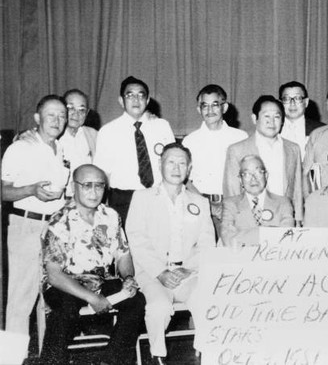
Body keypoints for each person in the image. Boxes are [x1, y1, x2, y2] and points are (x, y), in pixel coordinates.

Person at [39, 164, 146, 365]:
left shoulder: (111, 216)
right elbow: (54, 275)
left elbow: (123, 255)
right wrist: (92, 298)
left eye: (99, 186)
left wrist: (128, 278)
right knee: (65, 311)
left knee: (136, 301)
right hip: (66, 284)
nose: (94, 192)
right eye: (87, 185)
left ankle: (111, 360)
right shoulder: (60, 221)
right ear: (74, 187)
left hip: (101, 280)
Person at [126, 143, 215, 364]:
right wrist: (161, 271)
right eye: (171, 162)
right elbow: (136, 239)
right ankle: (157, 354)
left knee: (207, 299)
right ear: (160, 165)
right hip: (152, 273)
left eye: (182, 163)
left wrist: (188, 269)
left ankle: (204, 350)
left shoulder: (200, 202)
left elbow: (206, 243)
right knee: (159, 307)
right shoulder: (142, 197)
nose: (176, 168)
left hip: (187, 273)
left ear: (190, 168)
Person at [1, 94, 70, 335]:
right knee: (21, 299)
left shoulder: (60, 148)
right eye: (51, 114)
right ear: (37, 118)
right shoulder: (21, 147)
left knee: (49, 301)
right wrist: (30, 190)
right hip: (26, 226)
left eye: (62, 115)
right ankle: (10, 359)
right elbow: (3, 190)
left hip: (54, 230)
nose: (57, 120)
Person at [94, 76, 175, 224]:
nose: (136, 100)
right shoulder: (108, 131)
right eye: (130, 95)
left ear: (148, 100)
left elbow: (173, 163)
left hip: (158, 196)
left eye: (141, 95)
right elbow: (103, 173)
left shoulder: (162, 126)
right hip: (123, 200)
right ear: (121, 100)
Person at [223, 95, 303, 223]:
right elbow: (232, 192)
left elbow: (297, 189)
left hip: (283, 220)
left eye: (277, 117)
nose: (271, 122)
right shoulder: (237, 150)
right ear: (255, 119)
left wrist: (298, 219)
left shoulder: (293, 149)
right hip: (250, 220)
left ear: (282, 120)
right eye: (266, 116)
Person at [182, 84, 247, 237]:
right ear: (199, 109)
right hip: (199, 205)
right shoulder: (190, 141)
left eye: (215, 105)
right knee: (203, 255)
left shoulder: (240, 137)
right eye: (205, 106)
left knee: (232, 255)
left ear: (224, 108)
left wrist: (231, 205)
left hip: (234, 206)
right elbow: (185, 180)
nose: (210, 111)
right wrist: (207, 205)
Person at [221, 154, 294, 247]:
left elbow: (287, 237)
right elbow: (228, 238)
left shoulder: (283, 203)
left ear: (266, 175)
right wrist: (265, 233)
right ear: (240, 180)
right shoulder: (230, 204)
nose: (253, 178)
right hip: (241, 259)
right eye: (247, 174)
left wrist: (245, 235)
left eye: (258, 172)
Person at [278, 81, 324, 160]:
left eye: (297, 98)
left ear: (306, 102)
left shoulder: (321, 130)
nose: (292, 103)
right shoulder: (272, 129)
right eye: (286, 99)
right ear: (280, 103)